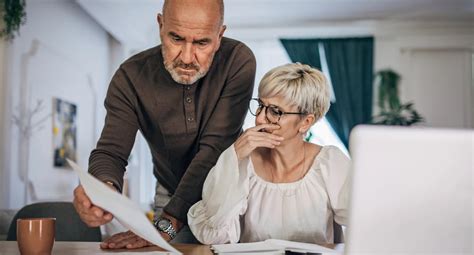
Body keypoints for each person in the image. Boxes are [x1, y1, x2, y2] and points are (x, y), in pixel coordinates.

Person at [72, 0, 256, 249]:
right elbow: (111, 151)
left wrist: (168, 223)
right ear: (160, 25)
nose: (187, 57)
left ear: (220, 35)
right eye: (176, 38)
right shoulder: (130, 77)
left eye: (202, 42)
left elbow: (214, 150)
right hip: (170, 192)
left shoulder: (238, 61)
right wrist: (103, 190)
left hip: (229, 197)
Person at [188, 63, 350, 245]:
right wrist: (233, 156)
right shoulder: (243, 163)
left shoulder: (330, 163)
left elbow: (366, 222)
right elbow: (214, 235)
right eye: (260, 105)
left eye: (275, 111)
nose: (259, 119)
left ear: (305, 122)